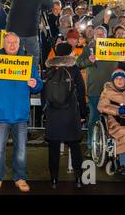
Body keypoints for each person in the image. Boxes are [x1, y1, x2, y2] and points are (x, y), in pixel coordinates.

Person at [0, 32, 43, 193]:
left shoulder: (28, 63)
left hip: (21, 114)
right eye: (9, 43)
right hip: (1, 114)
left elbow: (39, 85)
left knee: (21, 150)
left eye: (15, 42)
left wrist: (35, 84)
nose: (13, 45)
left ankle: (20, 177)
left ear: (19, 44)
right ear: (3, 44)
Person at [44, 43, 86, 188]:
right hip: (70, 113)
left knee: (53, 148)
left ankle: (54, 179)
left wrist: (45, 112)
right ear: (69, 53)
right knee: (74, 146)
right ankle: (79, 178)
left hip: (53, 113)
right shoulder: (74, 69)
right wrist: (83, 113)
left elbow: (45, 93)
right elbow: (81, 91)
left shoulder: (49, 68)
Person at [76, 25, 119, 157]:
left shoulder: (114, 46)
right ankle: (91, 145)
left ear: (106, 35)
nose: (100, 35)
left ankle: (113, 147)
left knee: (112, 119)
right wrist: (88, 61)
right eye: (97, 33)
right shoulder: (89, 48)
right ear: (93, 35)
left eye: (102, 33)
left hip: (111, 90)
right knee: (94, 118)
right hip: (94, 89)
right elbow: (78, 64)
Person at [5, 0, 53, 67]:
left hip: (13, 25)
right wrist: (40, 4)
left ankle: (13, 77)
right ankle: (32, 77)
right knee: (33, 54)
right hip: (29, 28)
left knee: (14, 53)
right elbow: (49, 5)